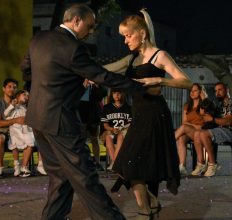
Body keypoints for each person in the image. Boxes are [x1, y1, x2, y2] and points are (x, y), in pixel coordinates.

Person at [21, 4, 143, 220]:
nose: (91, 31)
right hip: (60, 120)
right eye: (89, 26)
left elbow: (26, 70)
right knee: (86, 177)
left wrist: (58, 82)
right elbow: (102, 76)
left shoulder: (38, 39)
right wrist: (138, 86)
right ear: (76, 20)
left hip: (38, 117)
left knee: (61, 177)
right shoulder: (74, 48)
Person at [104, 9, 192, 219]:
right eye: (124, 36)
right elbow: (107, 69)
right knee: (128, 165)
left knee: (130, 164)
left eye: (128, 35)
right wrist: (84, 72)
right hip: (139, 115)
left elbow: (186, 82)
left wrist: (160, 80)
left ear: (142, 34)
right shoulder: (132, 58)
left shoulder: (159, 55)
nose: (125, 41)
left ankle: (145, 211)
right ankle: (152, 203)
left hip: (155, 115)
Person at [191, 82, 232, 177]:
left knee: (203, 134)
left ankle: (213, 164)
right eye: (215, 91)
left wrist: (212, 119)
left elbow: (227, 122)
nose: (217, 93)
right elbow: (209, 115)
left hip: (231, 133)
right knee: (197, 133)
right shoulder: (220, 104)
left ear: (227, 90)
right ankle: (201, 163)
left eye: (220, 90)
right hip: (220, 130)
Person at [0, 78, 25, 178]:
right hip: (3, 131)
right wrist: (15, 120)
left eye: (14, 87)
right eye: (9, 87)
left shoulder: (19, 103)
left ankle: (25, 167)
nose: (12, 89)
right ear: (4, 89)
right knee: (0, 138)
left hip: (18, 131)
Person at [175, 83, 206, 175]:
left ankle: (167, 143)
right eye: (191, 91)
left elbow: (204, 124)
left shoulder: (204, 105)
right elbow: (184, 122)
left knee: (184, 128)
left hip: (201, 132)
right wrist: (191, 125)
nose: (192, 93)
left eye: (195, 90)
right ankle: (182, 166)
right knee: (181, 138)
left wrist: (204, 99)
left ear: (200, 92)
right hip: (189, 132)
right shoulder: (187, 106)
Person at [4, 90, 34, 177]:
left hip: (25, 131)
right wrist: (12, 105)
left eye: (28, 96)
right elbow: (5, 114)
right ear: (17, 96)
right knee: (14, 145)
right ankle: (16, 165)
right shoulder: (14, 106)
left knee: (30, 142)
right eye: (24, 94)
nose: (26, 96)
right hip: (15, 131)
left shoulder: (26, 108)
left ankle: (24, 166)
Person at [100, 88, 132, 171]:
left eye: (119, 93)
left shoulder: (128, 108)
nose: (116, 95)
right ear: (112, 95)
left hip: (124, 132)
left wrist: (123, 128)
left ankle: (114, 163)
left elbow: (130, 124)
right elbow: (105, 125)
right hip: (112, 131)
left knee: (121, 136)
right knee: (108, 137)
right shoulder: (107, 107)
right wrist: (112, 129)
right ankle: (115, 162)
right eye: (114, 93)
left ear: (123, 94)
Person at [79, 79, 107, 171]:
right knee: (81, 140)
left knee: (94, 139)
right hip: (82, 117)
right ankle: (82, 162)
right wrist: (84, 86)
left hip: (94, 117)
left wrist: (97, 84)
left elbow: (103, 94)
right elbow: (78, 98)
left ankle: (97, 162)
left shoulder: (96, 86)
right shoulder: (80, 84)